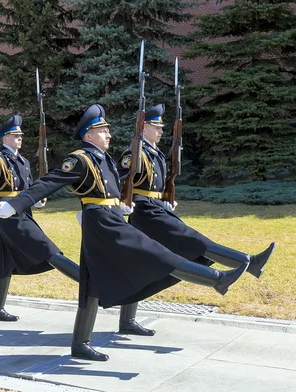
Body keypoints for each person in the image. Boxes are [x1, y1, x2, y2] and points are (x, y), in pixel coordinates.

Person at [0, 105, 248, 361]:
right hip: (101, 223)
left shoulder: (103, 159)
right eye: (102, 131)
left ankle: (80, 344)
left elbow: (113, 191)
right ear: (88, 135)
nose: (109, 135)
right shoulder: (80, 159)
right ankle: (216, 279)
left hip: (111, 219)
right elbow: (49, 182)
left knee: (92, 285)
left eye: (107, 130)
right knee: (155, 252)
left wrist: (122, 204)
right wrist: (16, 204)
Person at [118, 104, 276, 337]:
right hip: (144, 214)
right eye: (156, 127)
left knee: (141, 265)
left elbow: (156, 186)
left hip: (155, 210)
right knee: (193, 241)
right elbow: (117, 180)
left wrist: (165, 200)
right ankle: (247, 262)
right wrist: (119, 203)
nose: (161, 131)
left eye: (162, 127)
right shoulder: (134, 153)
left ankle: (127, 321)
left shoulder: (155, 153)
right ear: (143, 127)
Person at [0, 114, 79, 321]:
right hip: (8, 216)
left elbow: (27, 188)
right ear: (5, 138)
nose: (20, 138)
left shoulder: (24, 161)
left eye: (20, 135)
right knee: (47, 249)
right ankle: (87, 282)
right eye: (15, 135)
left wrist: (35, 201)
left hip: (23, 212)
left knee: (6, 264)